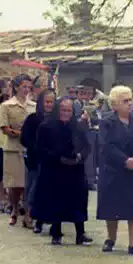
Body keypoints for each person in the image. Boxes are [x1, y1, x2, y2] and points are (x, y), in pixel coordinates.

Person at [96, 85, 133, 255]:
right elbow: (106, 146)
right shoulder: (106, 122)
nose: (130, 104)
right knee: (111, 206)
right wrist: (124, 160)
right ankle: (111, 238)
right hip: (113, 169)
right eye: (125, 101)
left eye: (131, 100)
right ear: (114, 105)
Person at [33, 96, 92, 246]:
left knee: (78, 201)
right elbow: (40, 149)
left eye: (69, 110)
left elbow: (87, 146)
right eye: (63, 110)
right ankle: (56, 233)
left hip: (75, 169)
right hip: (55, 169)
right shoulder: (46, 127)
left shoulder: (78, 127)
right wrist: (58, 158)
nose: (66, 113)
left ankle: (80, 233)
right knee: (56, 201)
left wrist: (80, 156)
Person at [0, 75, 34, 226]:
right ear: (17, 87)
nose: (26, 90)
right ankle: (14, 208)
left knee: (28, 183)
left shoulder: (33, 105)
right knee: (15, 184)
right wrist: (20, 133)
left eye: (29, 87)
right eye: (24, 86)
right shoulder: (6, 106)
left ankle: (28, 214)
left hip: (30, 149)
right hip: (13, 149)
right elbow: (4, 128)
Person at [21, 88, 56, 233]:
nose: (50, 105)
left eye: (52, 102)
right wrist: (37, 147)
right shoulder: (32, 118)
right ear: (41, 102)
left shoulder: (57, 120)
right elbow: (24, 139)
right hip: (35, 159)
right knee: (33, 188)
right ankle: (28, 216)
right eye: (47, 102)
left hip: (52, 160)